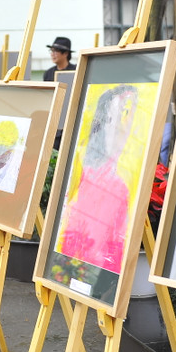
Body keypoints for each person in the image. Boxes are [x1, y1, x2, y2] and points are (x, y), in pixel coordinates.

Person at [56, 84, 137, 274]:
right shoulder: (88, 155)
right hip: (85, 231)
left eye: (128, 112)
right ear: (105, 119)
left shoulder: (121, 177)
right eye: (119, 114)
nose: (123, 123)